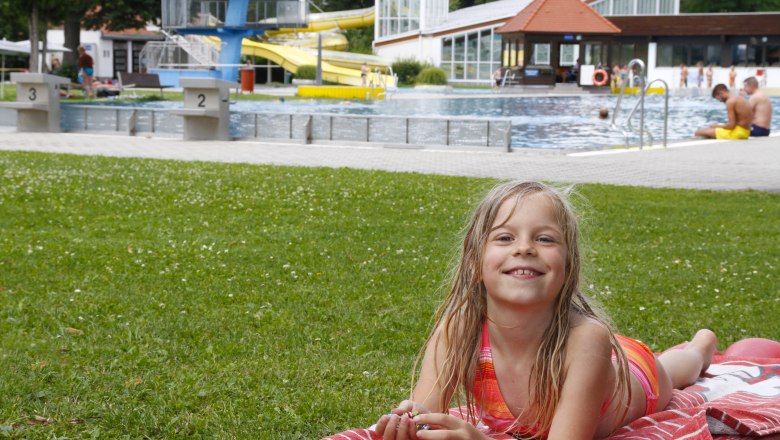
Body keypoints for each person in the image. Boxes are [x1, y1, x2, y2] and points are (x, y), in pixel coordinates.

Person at [375, 181, 717, 440]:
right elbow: (426, 409)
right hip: (596, 364)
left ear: (569, 266)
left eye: (545, 239)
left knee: (677, 370)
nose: (524, 248)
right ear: (476, 263)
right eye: (505, 238)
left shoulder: (586, 340)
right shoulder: (458, 330)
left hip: (637, 375)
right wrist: (411, 420)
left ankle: (701, 348)